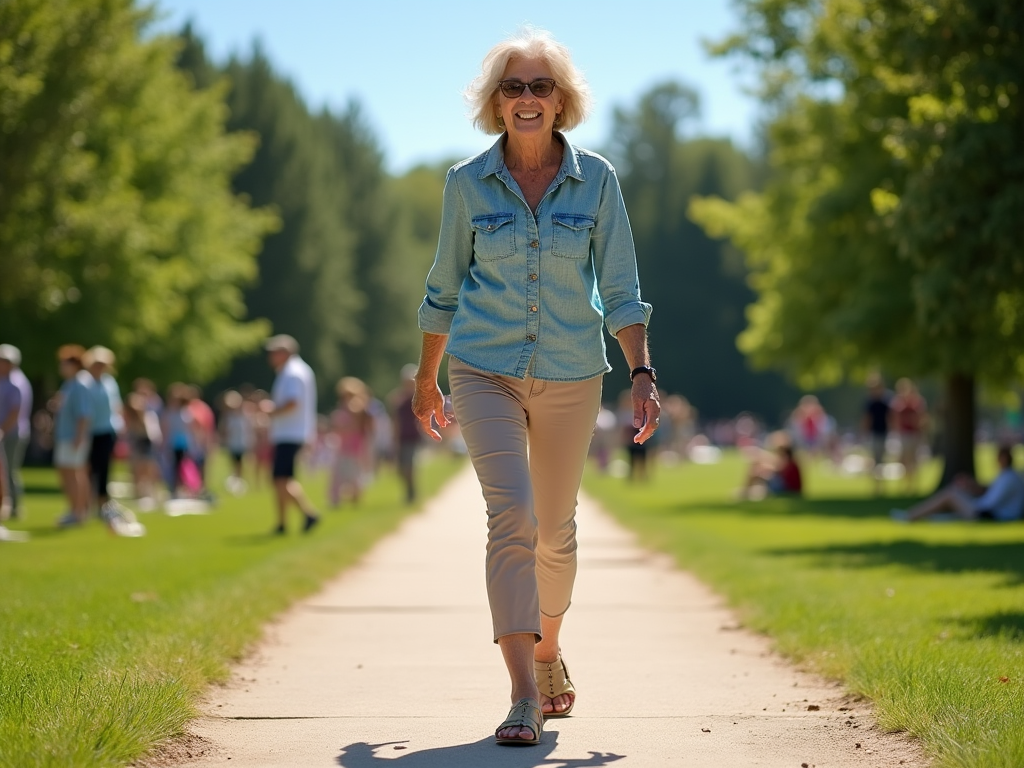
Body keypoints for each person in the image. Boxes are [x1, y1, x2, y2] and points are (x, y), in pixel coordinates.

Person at [412, 29, 659, 746]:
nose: (526, 98)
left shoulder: (598, 180)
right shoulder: (466, 183)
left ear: (562, 100)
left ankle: (548, 652)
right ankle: (522, 693)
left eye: (540, 86)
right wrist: (428, 379)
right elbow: (442, 288)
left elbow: (621, 288)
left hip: (571, 371)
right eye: (513, 87)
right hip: (483, 369)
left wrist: (641, 373)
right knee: (511, 517)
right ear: (497, 101)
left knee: (556, 531)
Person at [265, 334, 319, 534]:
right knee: (284, 479)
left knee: (281, 478)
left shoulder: (293, 373)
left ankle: (303, 515)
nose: (270, 356)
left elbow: (292, 402)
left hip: (290, 432)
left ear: (284, 353)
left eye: (273, 352)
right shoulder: (295, 370)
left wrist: (271, 411)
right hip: (292, 432)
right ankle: (287, 521)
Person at [893, 446, 1024, 522]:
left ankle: (910, 516)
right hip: (987, 511)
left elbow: (991, 502)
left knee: (950, 494)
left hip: (988, 514)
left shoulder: (1009, 478)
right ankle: (920, 515)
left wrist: (973, 500)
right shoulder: (1008, 476)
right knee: (953, 496)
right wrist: (971, 487)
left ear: (1003, 459)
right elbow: (991, 493)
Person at [53, 345, 93, 526]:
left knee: (74, 472)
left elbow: (84, 414)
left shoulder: (80, 383)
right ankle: (76, 511)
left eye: (64, 363)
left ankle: (78, 512)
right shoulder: (70, 383)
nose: (61, 367)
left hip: (73, 436)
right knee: (67, 471)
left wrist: (79, 436)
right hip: (66, 435)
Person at [84, 346, 126, 520]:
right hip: (89, 432)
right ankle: (85, 503)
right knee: (88, 469)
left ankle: (102, 504)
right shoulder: (85, 383)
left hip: (107, 431)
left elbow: (116, 406)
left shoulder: (110, 382)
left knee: (104, 469)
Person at [328, 377, 374, 507]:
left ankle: (354, 498)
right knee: (340, 473)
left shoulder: (356, 406)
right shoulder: (348, 406)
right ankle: (338, 499)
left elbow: (354, 425)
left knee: (353, 473)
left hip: (354, 445)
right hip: (344, 443)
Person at [0, 344, 32, 521]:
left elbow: (15, 412)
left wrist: (2, 430)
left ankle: (13, 507)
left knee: (9, 470)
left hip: (12, 433)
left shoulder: (16, 382)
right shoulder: (3, 379)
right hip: (5, 432)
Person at [388, 364, 422, 504]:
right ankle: (409, 490)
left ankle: (412, 493)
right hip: (401, 436)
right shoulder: (398, 399)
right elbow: (395, 420)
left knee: (409, 466)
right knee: (400, 468)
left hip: (413, 437)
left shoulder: (419, 397)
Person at [890, 377, 928, 492]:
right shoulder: (898, 403)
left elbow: (922, 419)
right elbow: (894, 418)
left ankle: (913, 485)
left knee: (914, 461)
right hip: (903, 435)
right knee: (904, 461)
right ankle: (905, 485)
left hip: (914, 434)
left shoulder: (917, 402)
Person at [861, 374, 892, 494]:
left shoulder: (886, 401)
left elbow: (891, 418)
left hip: (885, 433)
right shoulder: (870, 402)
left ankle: (882, 486)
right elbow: (866, 419)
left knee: (882, 461)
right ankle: (876, 486)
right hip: (874, 434)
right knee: (875, 461)